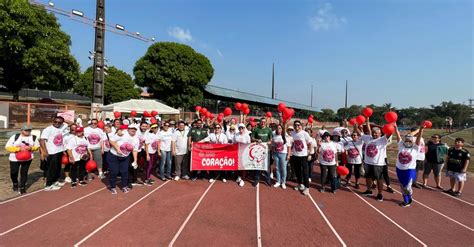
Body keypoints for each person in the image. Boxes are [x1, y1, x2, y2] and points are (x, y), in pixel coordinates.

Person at [356, 117, 392, 201]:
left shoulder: (383, 140)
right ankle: (369, 190)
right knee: (368, 177)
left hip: (378, 164)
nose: (374, 134)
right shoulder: (368, 138)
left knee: (379, 179)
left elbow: (389, 133)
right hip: (368, 162)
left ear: (380, 134)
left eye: (376, 133)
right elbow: (359, 133)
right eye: (373, 133)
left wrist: (390, 125)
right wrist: (355, 126)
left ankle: (380, 194)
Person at [393, 123, 423, 207]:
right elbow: (398, 135)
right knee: (402, 186)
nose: (408, 142)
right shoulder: (401, 145)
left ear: (413, 141)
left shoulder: (415, 148)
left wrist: (420, 129)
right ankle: (406, 200)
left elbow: (419, 138)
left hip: (409, 170)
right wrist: (395, 127)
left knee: (407, 187)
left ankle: (408, 198)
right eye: (406, 140)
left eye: (410, 141)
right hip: (399, 169)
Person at [5, 124, 40, 194]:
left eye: (29, 130)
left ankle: (22, 187)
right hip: (14, 158)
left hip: (27, 158)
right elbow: (7, 147)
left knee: (24, 173)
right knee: (14, 172)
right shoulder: (15, 136)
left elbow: (37, 146)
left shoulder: (33, 137)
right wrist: (18, 149)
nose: (28, 132)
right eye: (26, 130)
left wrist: (32, 148)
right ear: (21, 130)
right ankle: (15, 183)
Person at [108, 124, 139, 194]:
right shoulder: (122, 134)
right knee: (114, 172)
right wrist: (117, 148)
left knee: (125, 172)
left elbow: (134, 150)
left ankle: (124, 186)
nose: (133, 130)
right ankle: (113, 187)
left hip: (125, 157)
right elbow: (111, 141)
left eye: (135, 129)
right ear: (128, 129)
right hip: (114, 155)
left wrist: (135, 160)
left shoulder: (136, 139)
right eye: (131, 128)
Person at [40, 116, 67, 191]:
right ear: (53, 121)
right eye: (55, 121)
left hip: (59, 151)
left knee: (58, 168)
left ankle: (55, 181)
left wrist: (65, 120)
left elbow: (72, 123)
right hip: (52, 152)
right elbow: (42, 141)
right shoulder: (48, 129)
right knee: (51, 169)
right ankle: (48, 185)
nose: (57, 123)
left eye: (59, 122)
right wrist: (45, 151)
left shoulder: (62, 127)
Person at [289, 120, 313, 195]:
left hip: (303, 156)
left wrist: (310, 154)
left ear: (301, 126)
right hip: (295, 155)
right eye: (295, 125)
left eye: (298, 125)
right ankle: (300, 184)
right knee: (297, 171)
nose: (297, 127)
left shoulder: (304, 133)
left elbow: (310, 143)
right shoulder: (293, 133)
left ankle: (307, 188)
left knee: (305, 172)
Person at [251, 118, 272, 186]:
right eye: (261, 122)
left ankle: (267, 179)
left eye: (264, 122)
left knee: (266, 166)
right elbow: (252, 138)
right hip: (258, 150)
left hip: (266, 150)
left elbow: (271, 139)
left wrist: (269, 142)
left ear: (266, 122)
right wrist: (257, 140)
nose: (263, 123)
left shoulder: (269, 130)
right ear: (260, 122)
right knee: (258, 165)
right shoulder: (256, 129)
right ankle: (256, 179)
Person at [272, 124, 290, 189]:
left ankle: (283, 182)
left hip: (283, 154)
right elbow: (273, 146)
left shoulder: (285, 136)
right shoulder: (274, 136)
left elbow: (289, 146)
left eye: (280, 128)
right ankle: (278, 181)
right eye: (277, 128)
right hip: (276, 153)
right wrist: (273, 154)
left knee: (283, 168)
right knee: (277, 168)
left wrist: (288, 155)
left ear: (282, 129)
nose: (279, 129)